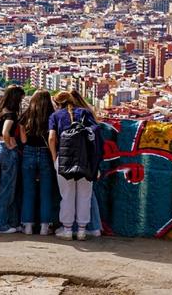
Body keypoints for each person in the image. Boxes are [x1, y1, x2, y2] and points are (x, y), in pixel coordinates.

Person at [48, 90, 99, 241]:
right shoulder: (85, 113)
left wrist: (54, 158)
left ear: (57, 104)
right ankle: (82, 230)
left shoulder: (55, 116)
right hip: (86, 160)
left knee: (67, 195)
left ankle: (68, 229)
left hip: (64, 160)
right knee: (85, 195)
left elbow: (51, 138)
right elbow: (96, 136)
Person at [18, 90, 56, 235]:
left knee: (28, 190)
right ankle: (44, 227)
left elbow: (23, 140)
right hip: (46, 153)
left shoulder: (27, 114)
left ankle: (27, 226)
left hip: (29, 152)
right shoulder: (52, 115)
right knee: (46, 191)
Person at [0, 85, 25, 234]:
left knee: (6, 188)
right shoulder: (11, 114)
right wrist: (10, 144)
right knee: (7, 190)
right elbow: (6, 131)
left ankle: (13, 222)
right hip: (6, 151)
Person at [71, 90, 102, 238]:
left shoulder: (75, 115)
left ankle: (81, 227)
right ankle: (94, 227)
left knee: (77, 194)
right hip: (90, 159)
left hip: (76, 159)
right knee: (88, 194)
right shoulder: (89, 114)